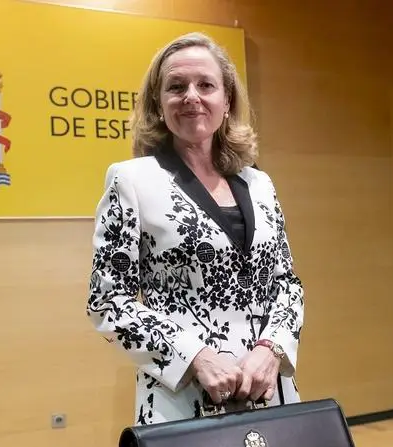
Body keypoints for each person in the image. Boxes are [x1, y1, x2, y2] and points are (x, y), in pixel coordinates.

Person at [86, 32, 305, 425]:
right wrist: (195, 357)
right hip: (183, 398)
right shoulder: (131, 180)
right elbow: (108, 301)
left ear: (227, 100)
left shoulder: (259, 183)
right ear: (158, 103)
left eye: (206, 85)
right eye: (176, 87)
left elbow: (286, 283)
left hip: (269, 391)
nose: (191, 96)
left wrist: (271, 349)